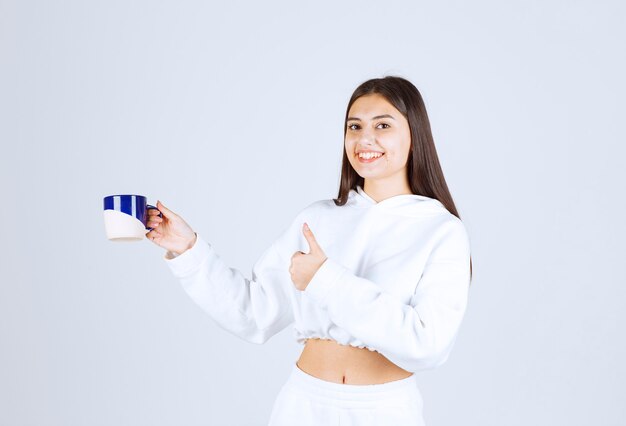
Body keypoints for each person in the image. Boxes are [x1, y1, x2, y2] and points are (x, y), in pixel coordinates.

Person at [145, 75, 473, 426]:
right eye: (354, 126)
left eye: (383, 125)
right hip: (303, 406)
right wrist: (187, 248)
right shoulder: (317, 219)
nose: (364, 139)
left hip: (385, 411)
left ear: (415, 135)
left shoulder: (441, 231)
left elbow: (428, 344)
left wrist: (325, 280)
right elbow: (253, 314)